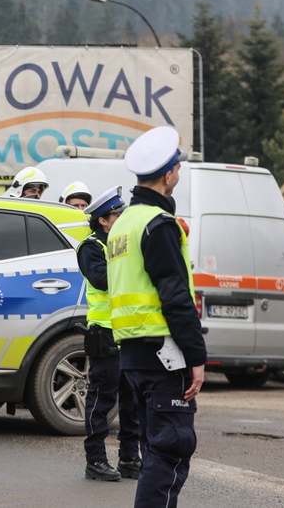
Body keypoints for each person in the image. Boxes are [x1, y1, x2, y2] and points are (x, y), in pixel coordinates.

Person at [106, 126, 206, 507]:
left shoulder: (124, 224)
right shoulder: (158, 225)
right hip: (165, 355)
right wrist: (196, 357)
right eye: (177, 169)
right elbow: (176, 297)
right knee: (169, 451)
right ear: (168, 175)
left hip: (133, 354)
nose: (178, 174)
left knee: (154, 450)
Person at [79, 186, 141, 482]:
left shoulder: (122, 244)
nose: (122, 218)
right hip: (103, 333)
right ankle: (96, 460)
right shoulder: (91, 247)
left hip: (128, 332)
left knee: (132, 401)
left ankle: (130, 458)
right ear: (103, 220)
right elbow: (101, 281)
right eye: (117, 214)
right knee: (102, 400)